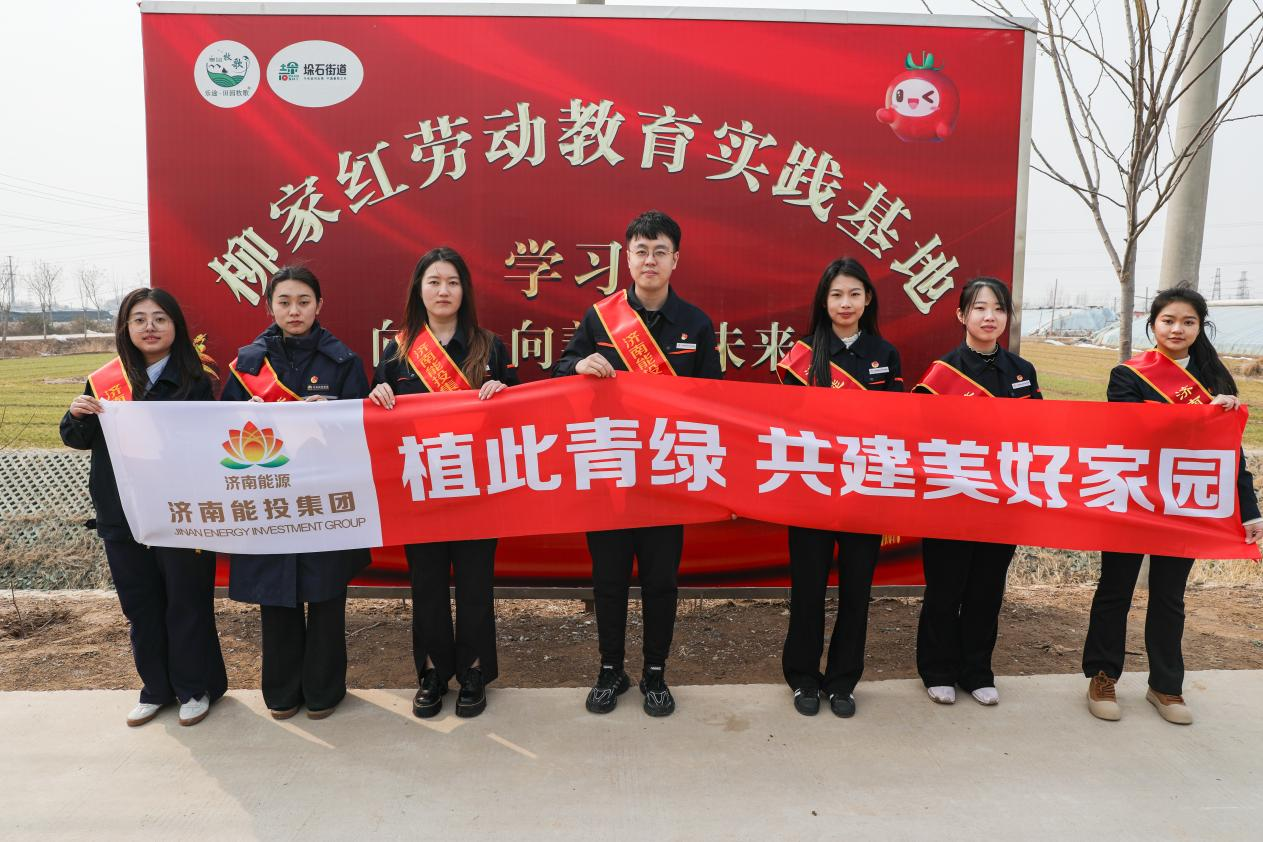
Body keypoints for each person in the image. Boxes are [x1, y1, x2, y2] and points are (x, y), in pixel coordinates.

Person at [555, 209, 722, 717]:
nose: (650, 260)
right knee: (608, 580)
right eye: (641, 251)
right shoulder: (600, 318)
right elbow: (560, 372)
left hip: (667, 473)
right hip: (610, 471)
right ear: (626, 258)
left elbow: (715, 399)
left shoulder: (696, 324)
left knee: (660, 582)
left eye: (660, 252)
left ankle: (655, 673)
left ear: (676, 259)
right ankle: (611, 670)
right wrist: (579, 365)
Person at [1083, 283, 1262, 725]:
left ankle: (1165, 685)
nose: (1177, 329)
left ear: (1201, 327)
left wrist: (1249, 508)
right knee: (1115, 589)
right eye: (1168, 320)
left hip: (1183, 499)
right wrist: (1202, 415)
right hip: (1131, 495)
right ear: (1153, 324)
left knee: (1169, 595)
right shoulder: (1127, 375)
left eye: (1188, 321)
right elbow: (1133, 431)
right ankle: (1102, 676)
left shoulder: (1215, 380)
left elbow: (1230, 454)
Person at [60, 288, 227, 727]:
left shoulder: (198, 380)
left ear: (175, 326)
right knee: (140, 605)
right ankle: (155, 689)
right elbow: (78, 439)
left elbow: (211, 442)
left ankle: (195, 687)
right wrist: (76, 414)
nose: (149, 327)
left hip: (182, 510)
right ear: (125, 327)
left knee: (186, 602)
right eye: (139, 319)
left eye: (159, 318)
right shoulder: (105, 381)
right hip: (121, 511)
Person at [368, 247, 516, 719]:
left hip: (477, 487)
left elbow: (521, 414)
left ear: (464, 290)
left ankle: (473, 670)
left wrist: (505, 393)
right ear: (419, 290)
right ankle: (432, 672)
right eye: (433, 281)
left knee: (476, 583)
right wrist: (377, 393)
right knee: (427, 583)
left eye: (452, 282)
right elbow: (377, 418)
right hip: (421, 488)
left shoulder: (490, 347)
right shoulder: (397, 351)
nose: (443, 290)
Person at [221, 266, 370, 720]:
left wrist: (333, 415)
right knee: (276, 596)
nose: (294, 310)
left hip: (324, 493)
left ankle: (324, 691)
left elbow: (365, 429)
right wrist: (242, 414)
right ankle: (282, 692)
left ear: (319, 305)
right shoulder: (249, 365)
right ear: (269, 306)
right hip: (269, 494)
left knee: (326, 595)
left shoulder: (343, 362)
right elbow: (219, 430)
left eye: (304, 301)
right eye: (284, 301)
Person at [775, 257, 903, 718]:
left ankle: (844, 681)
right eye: (836, 295)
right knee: (807, 590)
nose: (845, 303)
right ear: (823, 302)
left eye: (853, 294)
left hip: (864, 490)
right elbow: (781, 423)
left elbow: (896, 423)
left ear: (868, 299)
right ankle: (803, 678)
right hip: (811, 489)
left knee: (856, 592)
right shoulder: (802, 354)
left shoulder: (885, 354)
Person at [911, 276, 1041, 706]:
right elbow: (923, 440)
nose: (990, 317)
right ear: (961, 315)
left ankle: (977, 671)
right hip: (951, 499)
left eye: (999, 309)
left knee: (987, 589)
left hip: (1002, 500)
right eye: (980, 308)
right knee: (945, 590)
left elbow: (1040, 434)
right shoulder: (941, 373)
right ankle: (937, 670)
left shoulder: (1022, 372)